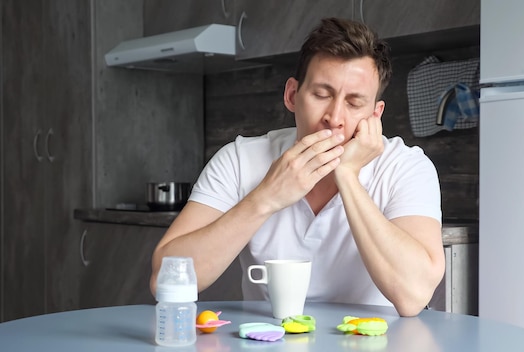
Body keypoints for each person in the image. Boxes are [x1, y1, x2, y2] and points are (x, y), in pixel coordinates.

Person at [150, 17, 444, 317]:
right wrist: (266, 198)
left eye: (354, 103)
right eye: (321, 94)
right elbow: (163, 278)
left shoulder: (408, 167)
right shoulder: (239, 159)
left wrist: (348, 177)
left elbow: (413, 297)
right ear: (292, 95)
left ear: (375, 114)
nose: (335, 117)